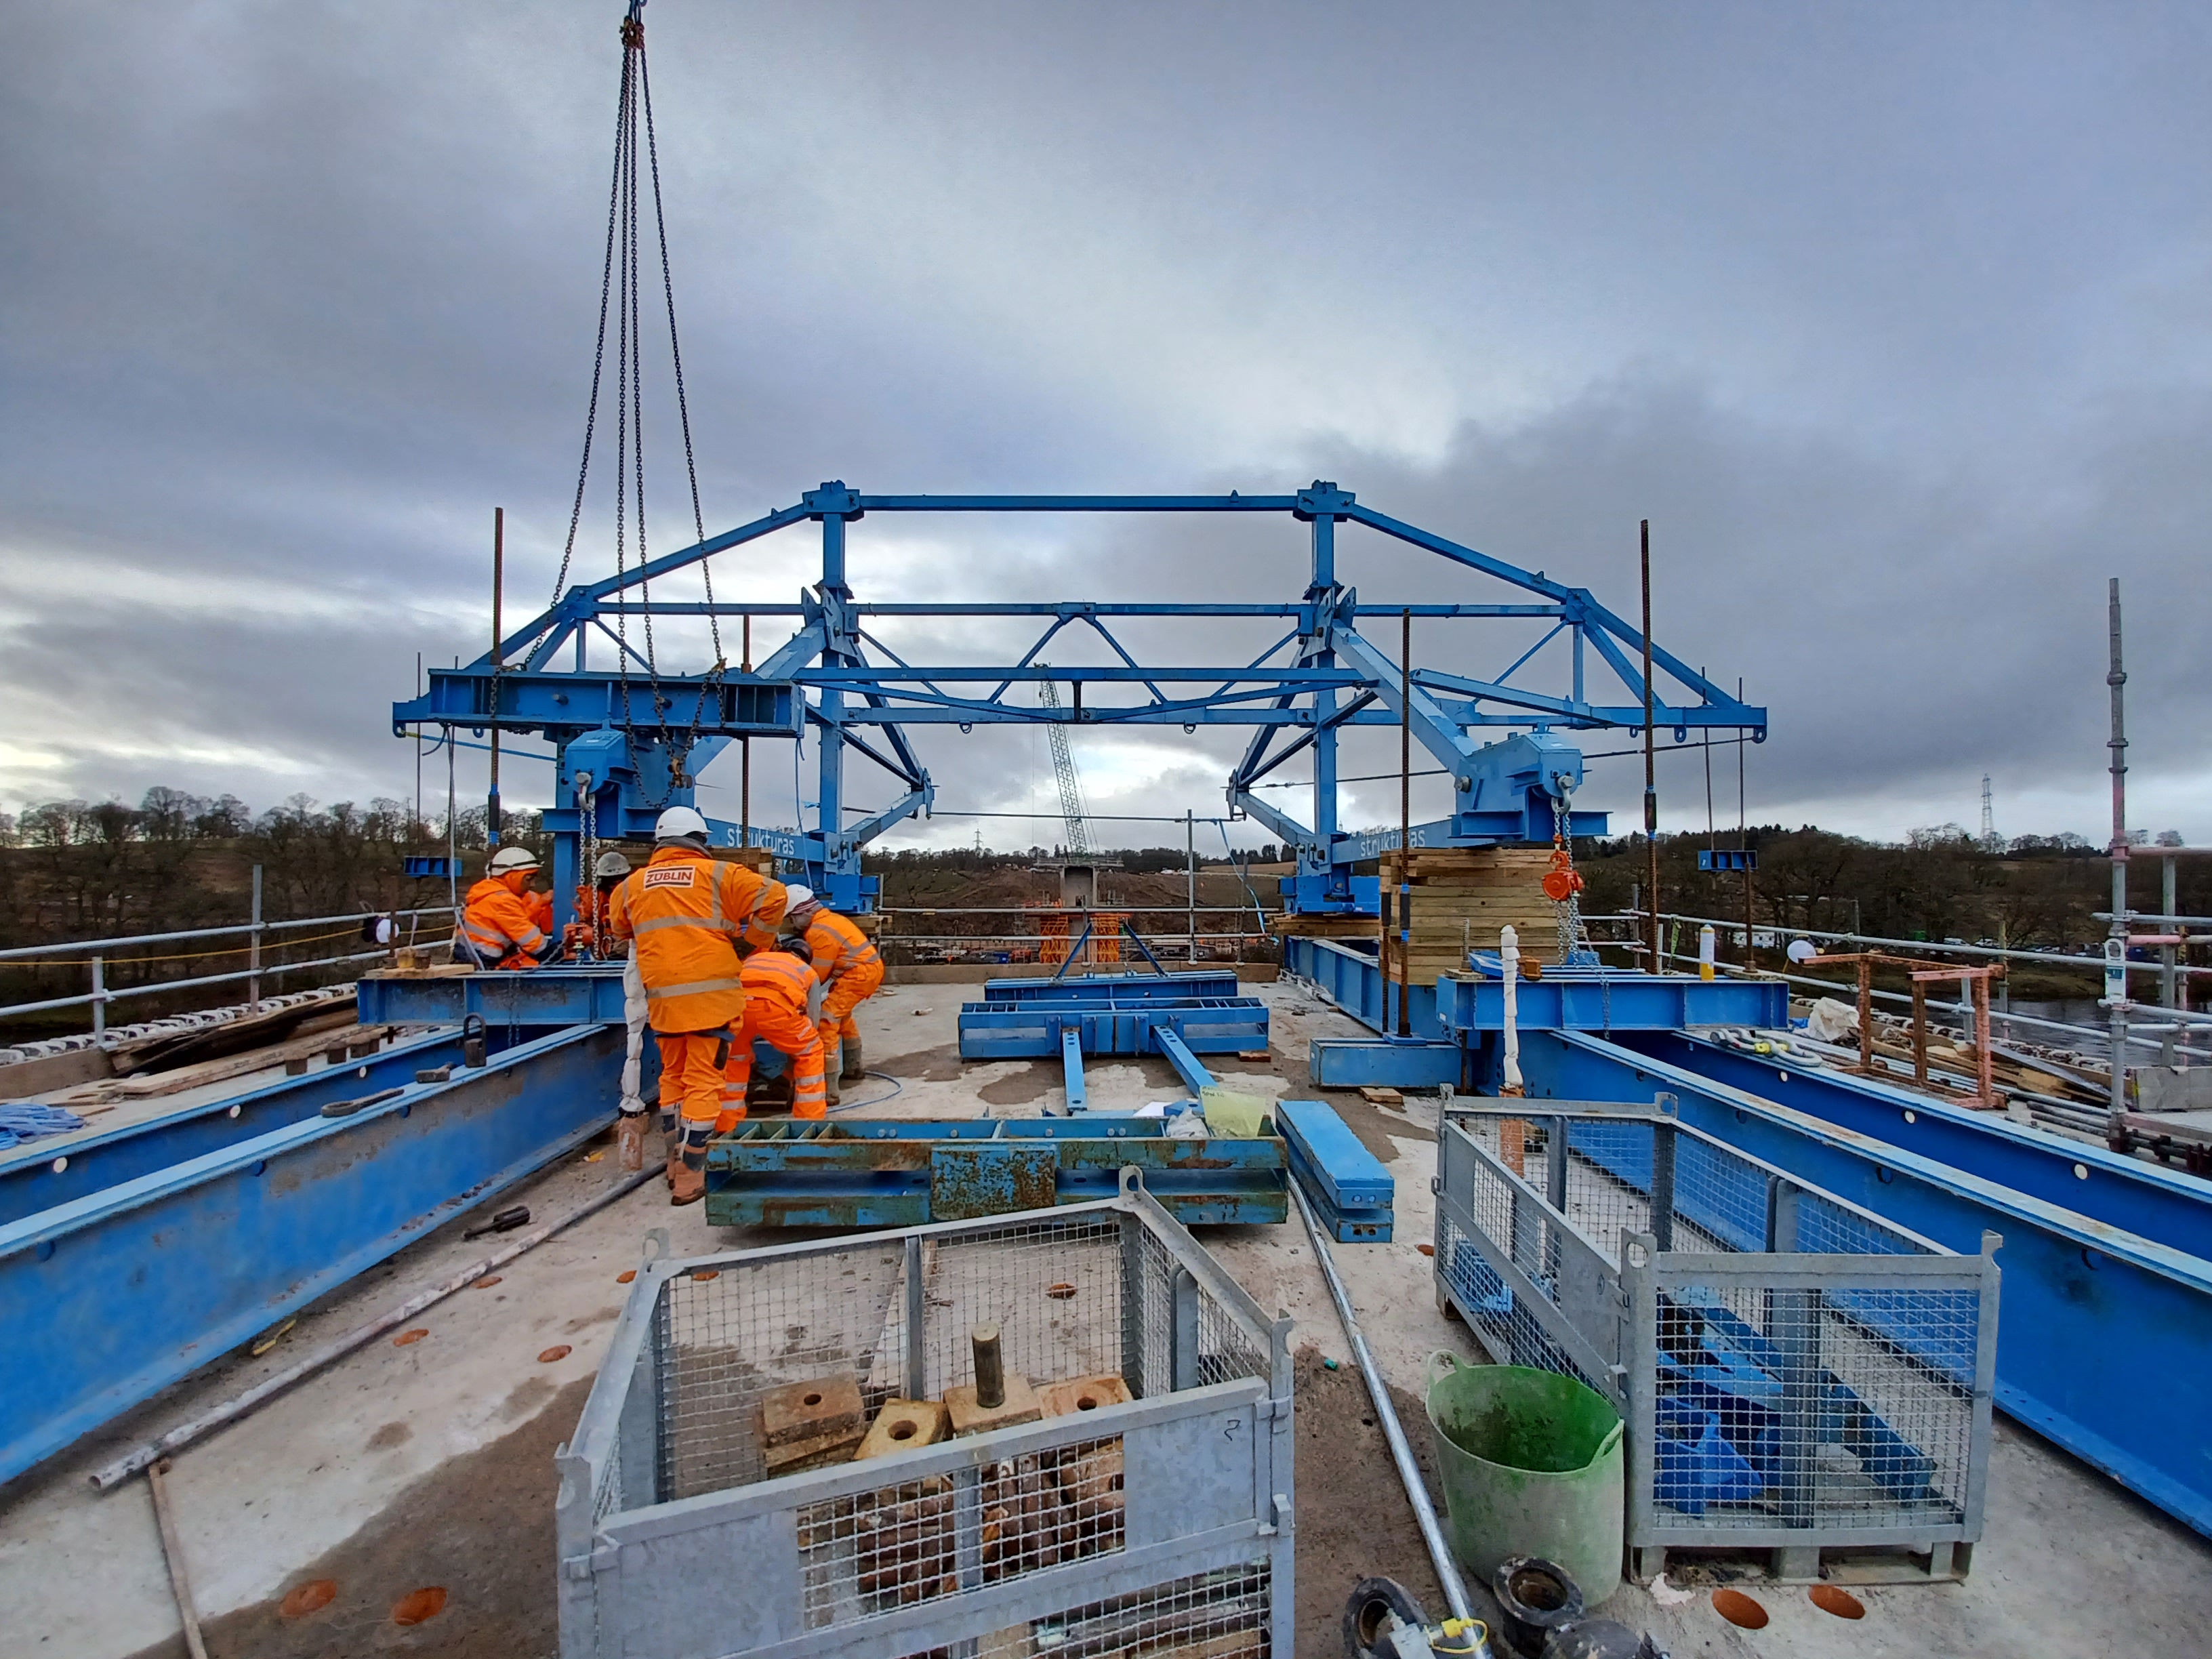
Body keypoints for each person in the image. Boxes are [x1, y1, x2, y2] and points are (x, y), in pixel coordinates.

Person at [605, 806, 787, 1205]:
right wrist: (752, 941)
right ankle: (691, 1173)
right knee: (705, 1081)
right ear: (700, 840)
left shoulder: (632, 886)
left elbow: (619, 929)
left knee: (674, 1076)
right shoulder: (720, 875)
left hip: (663, 1003)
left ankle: (673, 1160)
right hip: (711, 1001)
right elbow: (775, 896)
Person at [780, 884, 884, 1107]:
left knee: (827, 1019)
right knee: (842, 1016)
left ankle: (829, 1089)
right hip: (865, 970)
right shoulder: (827, 921)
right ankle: (854, 1068)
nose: (791, 923)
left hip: (858, 974)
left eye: (792, 918)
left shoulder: (819, 932)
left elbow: (815, 977)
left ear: (803, 912)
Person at [717, 948, 827, 1126]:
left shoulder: (753, 959)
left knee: (734, 1058)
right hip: (776, 1008)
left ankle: (728, 1125)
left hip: (737, 1008)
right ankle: (809, 1119)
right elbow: (813, 1017)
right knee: (810, 1051)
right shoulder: (806, 970)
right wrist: (796, 1045)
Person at [453, 844, 561, 969]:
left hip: (474, 955)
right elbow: (532, 942)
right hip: (481, 960)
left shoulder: (489, 892)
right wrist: (559, 954)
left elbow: (519, 924)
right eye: (529, 879)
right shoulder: (502, 900)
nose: (533, 884)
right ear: (512, 876)